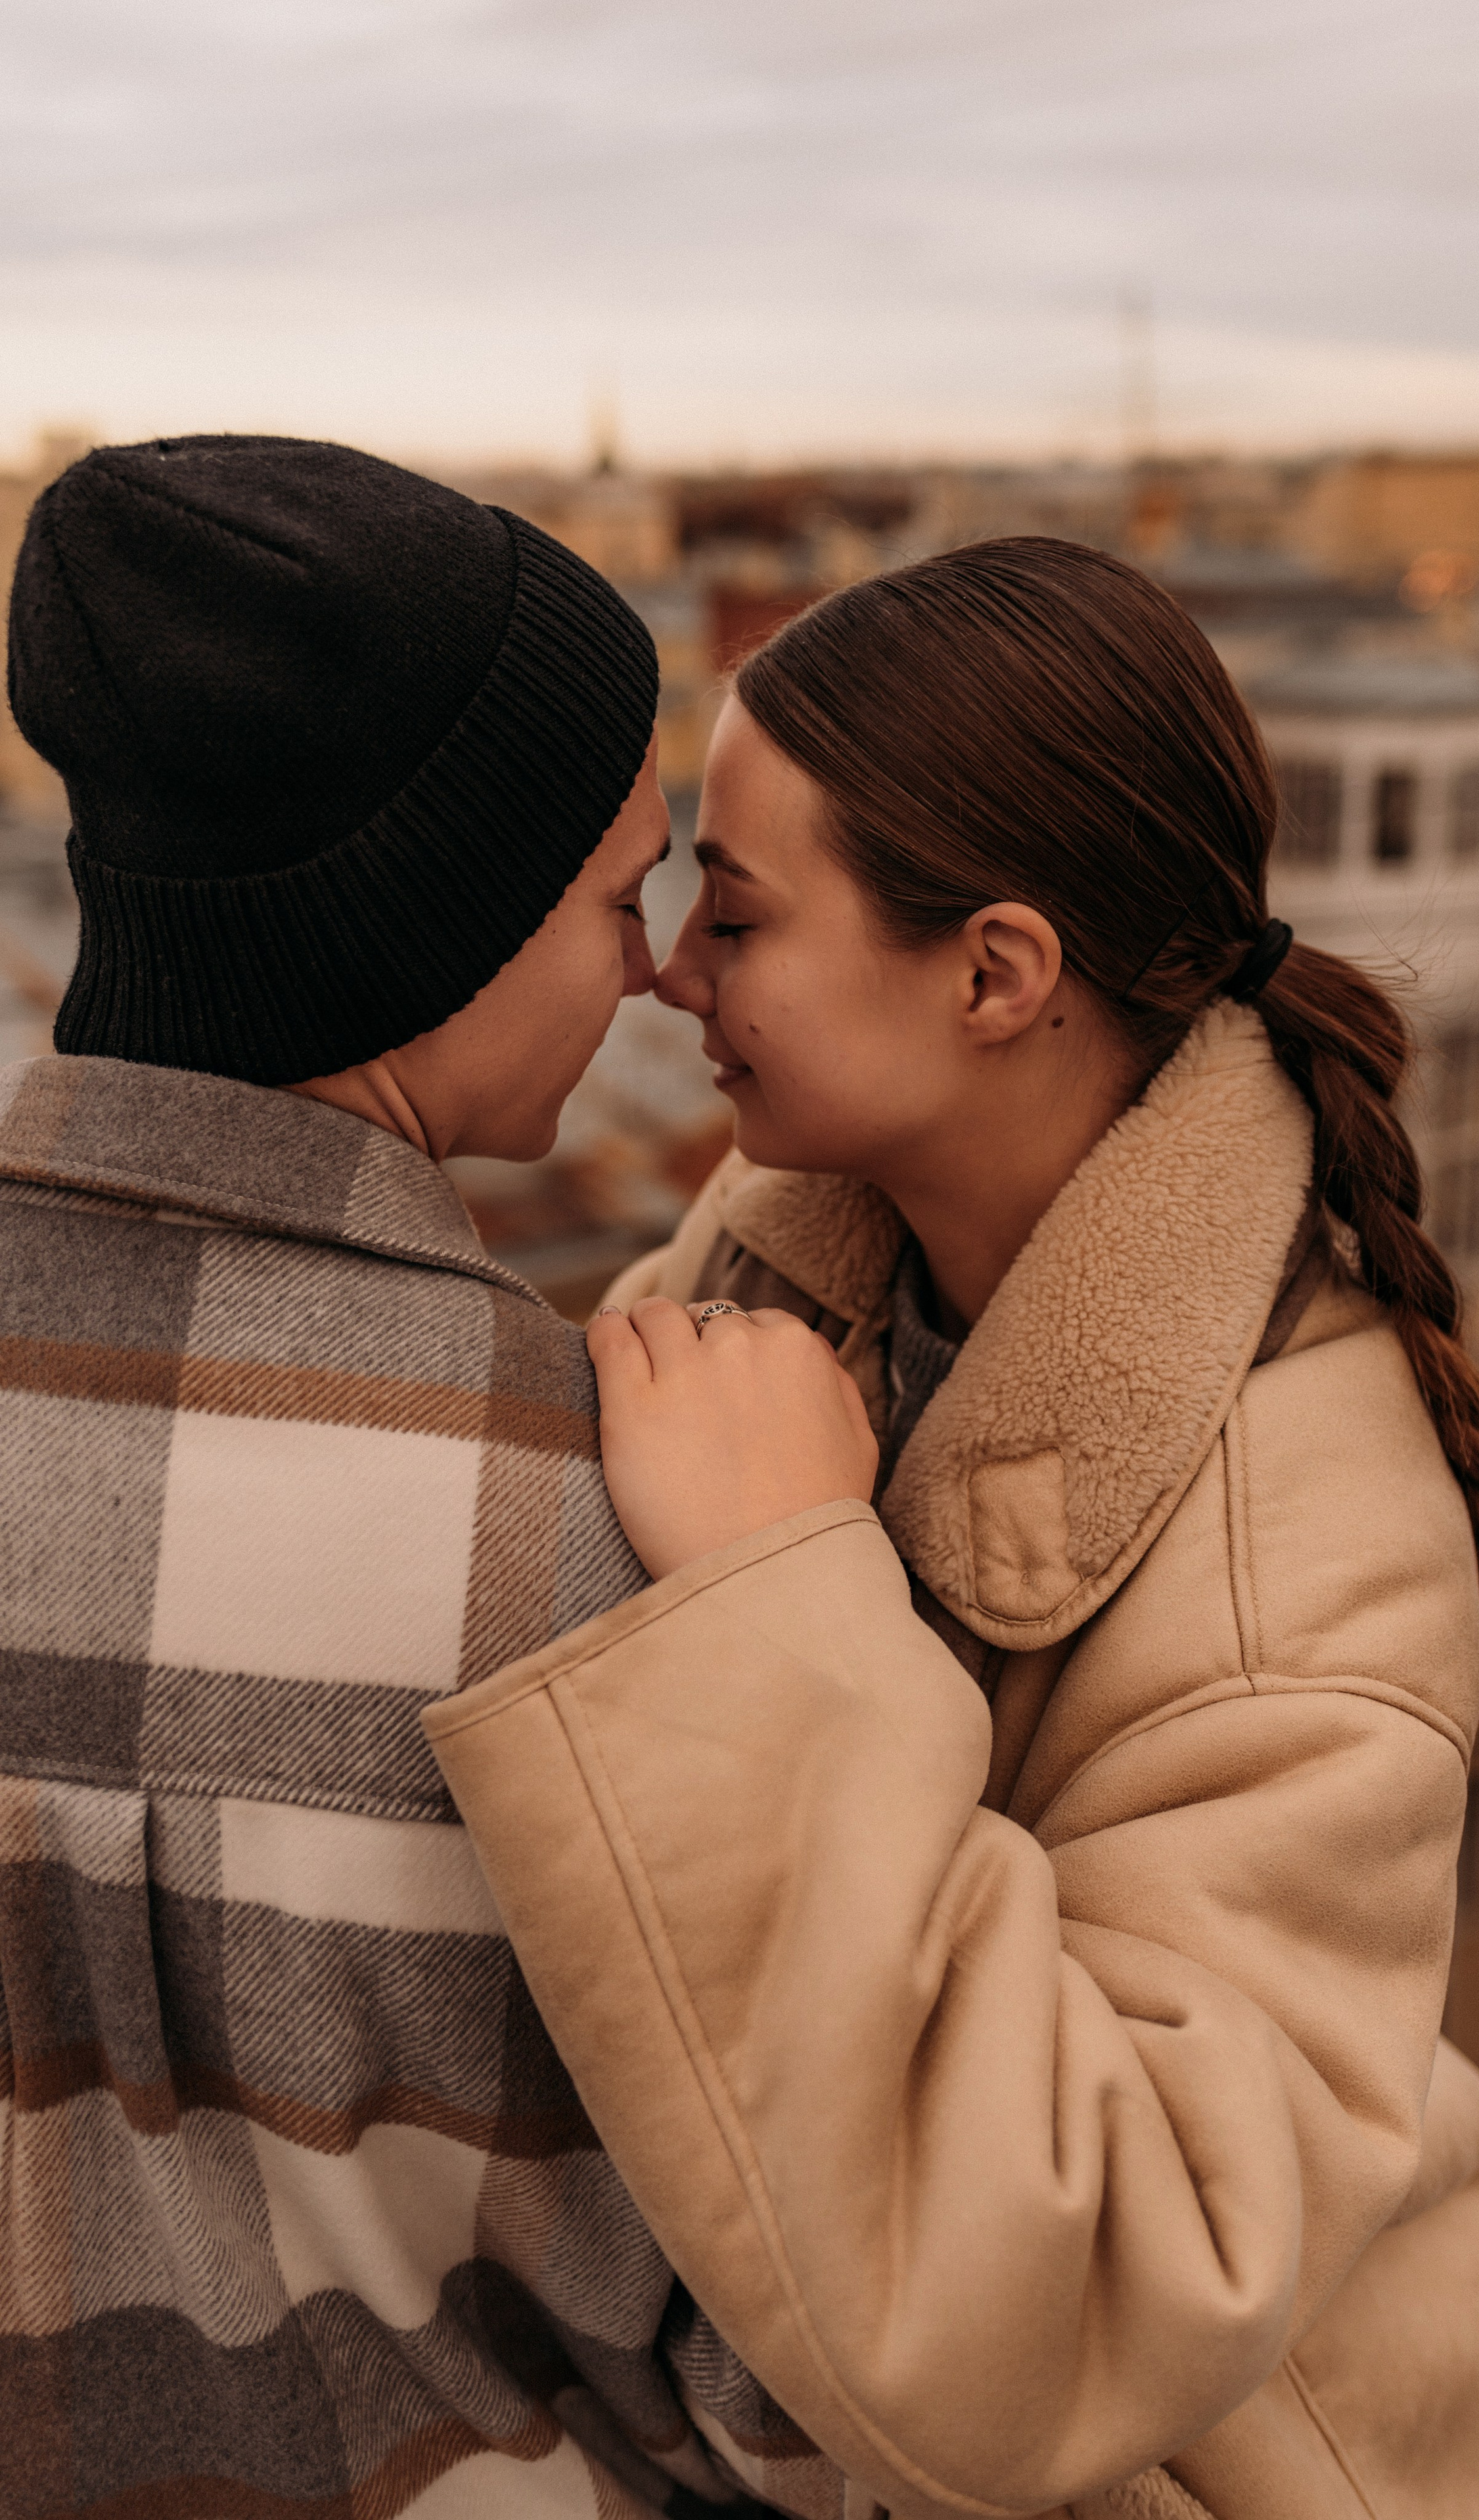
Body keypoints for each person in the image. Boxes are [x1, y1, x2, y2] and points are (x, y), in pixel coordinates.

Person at [430, 540, 1479, 2520]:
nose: (674, 972)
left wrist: (780, 1599)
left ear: (999, 972)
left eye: (737, 918)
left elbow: (1099, 2274)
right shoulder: (797, 1250)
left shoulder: (1302, 1552)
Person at [0, 436, 863, 2520]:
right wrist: (812, 1600)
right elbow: (809, 2384)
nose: (654, 972)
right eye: (608, 900)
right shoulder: (621, 1532)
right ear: (428, 925)